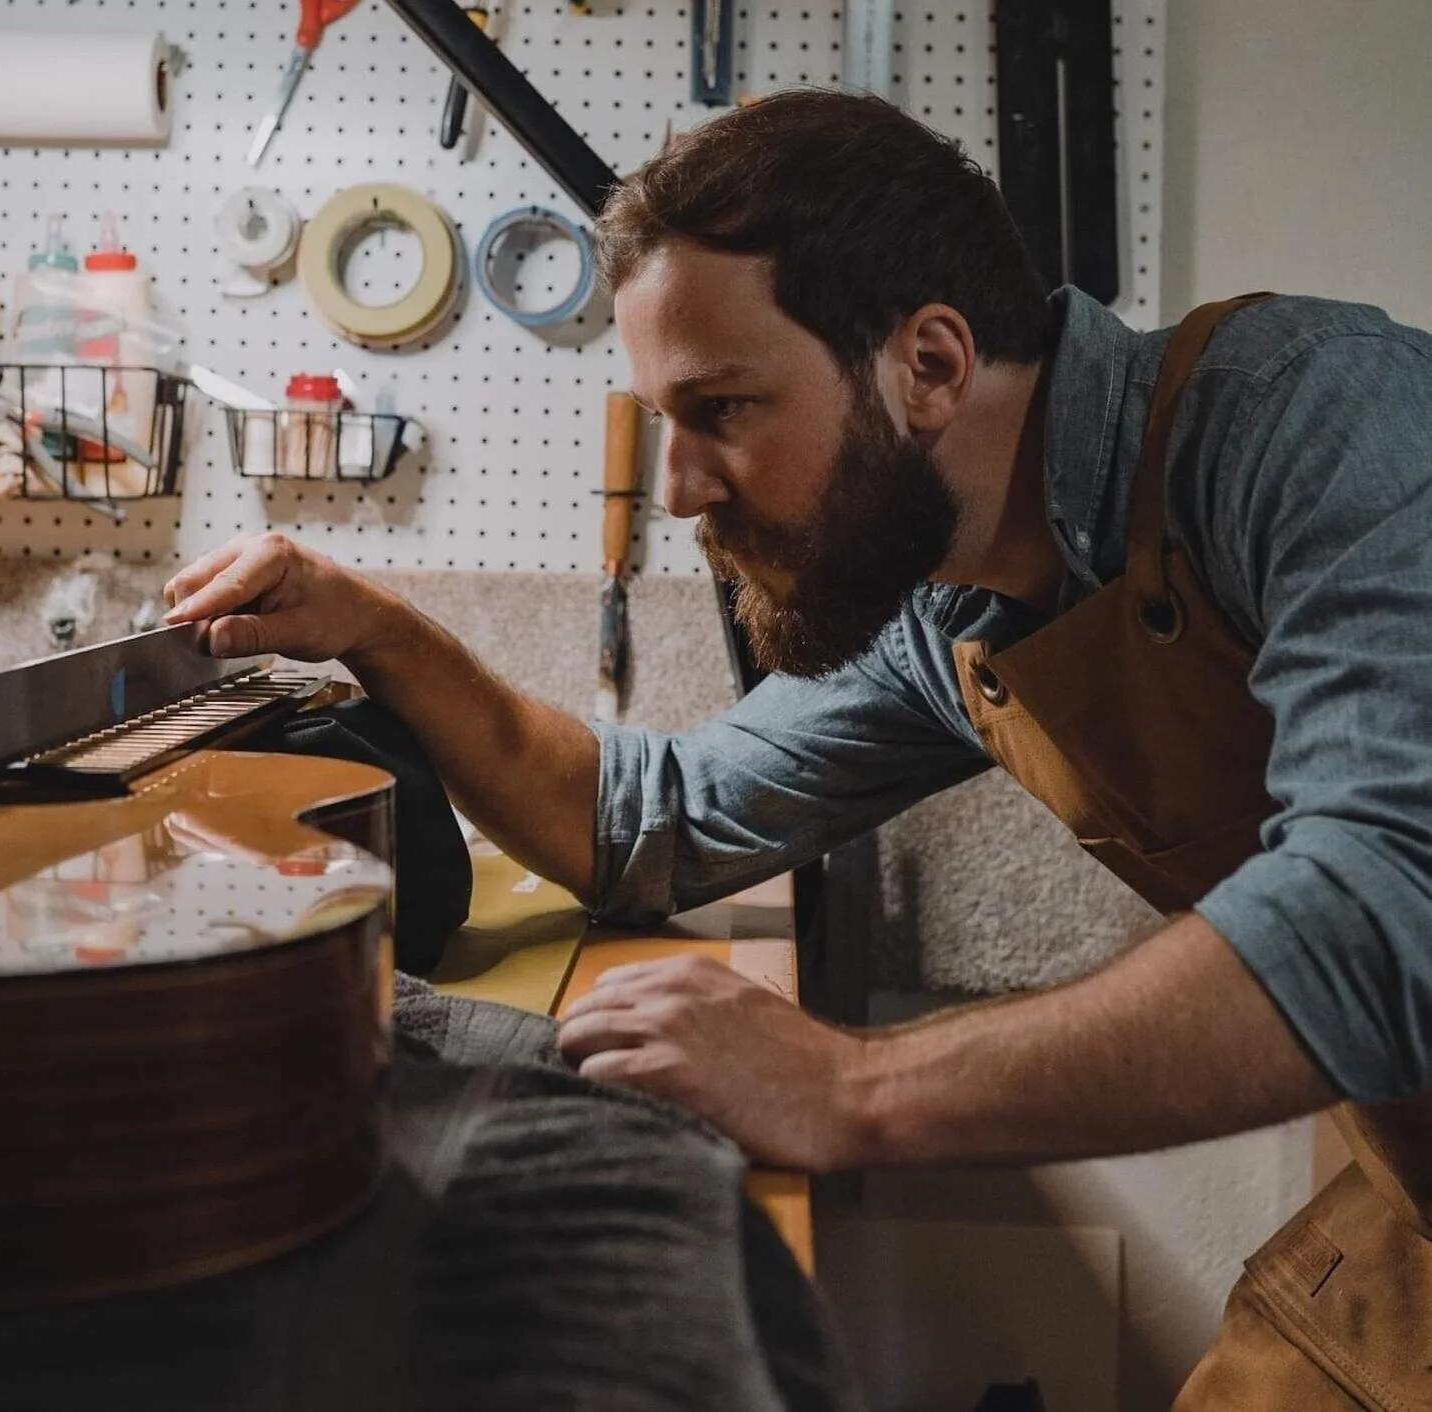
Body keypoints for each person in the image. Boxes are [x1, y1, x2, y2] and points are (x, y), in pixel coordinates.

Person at [165, 88, 1432, 1408]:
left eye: (722, 409)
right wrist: (379, 632)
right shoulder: (953, 606)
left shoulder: (1318, 424)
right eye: (665, 420)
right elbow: (651, 818)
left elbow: (1394, 906)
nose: (678, 490)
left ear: (929, 367)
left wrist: (852, 1085)